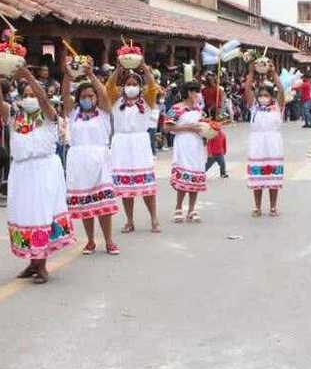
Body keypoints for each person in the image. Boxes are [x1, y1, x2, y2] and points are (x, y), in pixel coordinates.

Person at [0, 66, 74, 283]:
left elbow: (43, 100)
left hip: (43, 169)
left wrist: (28, 75)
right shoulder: (15, 116)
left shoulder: (49, 115)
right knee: (24, 214)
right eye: (25, 95)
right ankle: (32, 263)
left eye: (33, 95)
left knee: (41, 214)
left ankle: (42, 265)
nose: (29, 98)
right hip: (21, 170)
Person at [62, 58, 119, 255]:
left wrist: (90, 75)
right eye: (84, 96)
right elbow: (64, 96)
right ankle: (91, 241)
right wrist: (68, 76)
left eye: (91, 95)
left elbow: (104, 94)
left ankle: (109, 240)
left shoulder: (102, 112)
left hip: (99, 158)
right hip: (78, 160)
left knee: (103, 204)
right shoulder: (73, 112)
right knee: (86, 202)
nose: (88, 98)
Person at [108, 65, 161, 233]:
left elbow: (152, 87)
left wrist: (145, 68)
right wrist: (118, 69)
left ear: (139, 87)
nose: (131, 87)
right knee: (126, 188)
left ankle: (154, 219)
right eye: (127, 84)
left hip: (140, 143)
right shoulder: (116, 101)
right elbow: (108, 87)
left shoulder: (146, 101)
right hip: (121, 143)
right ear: (123, 86)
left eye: (134, 84)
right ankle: (129, 220)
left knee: (146, 185)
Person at [244, 64, 285, 216]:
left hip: (273, 143)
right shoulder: (254, 107)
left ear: (271, 96)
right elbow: (247, 89)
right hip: (257, 143)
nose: (263, 97)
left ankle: (273, 207)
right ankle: (257, 206)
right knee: (257, 177)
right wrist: (251, 73)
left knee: (273, 176)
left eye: (265, 95)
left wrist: (274, 73)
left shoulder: (277, 107)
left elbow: (281, 90)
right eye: (260, 95)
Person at [166, 80, 208, 223]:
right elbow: (167, 127)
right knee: (184, 175)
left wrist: (208, 132)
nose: (198, 94)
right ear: (189, 93)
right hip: (183, 144)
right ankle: (178, 208)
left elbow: (202, 126)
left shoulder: (198, 110)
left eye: (198, 91)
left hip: (196, 145)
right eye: (195, 91)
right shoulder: (176, 108)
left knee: (195, 175)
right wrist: (188, 128)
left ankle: (192, 209)